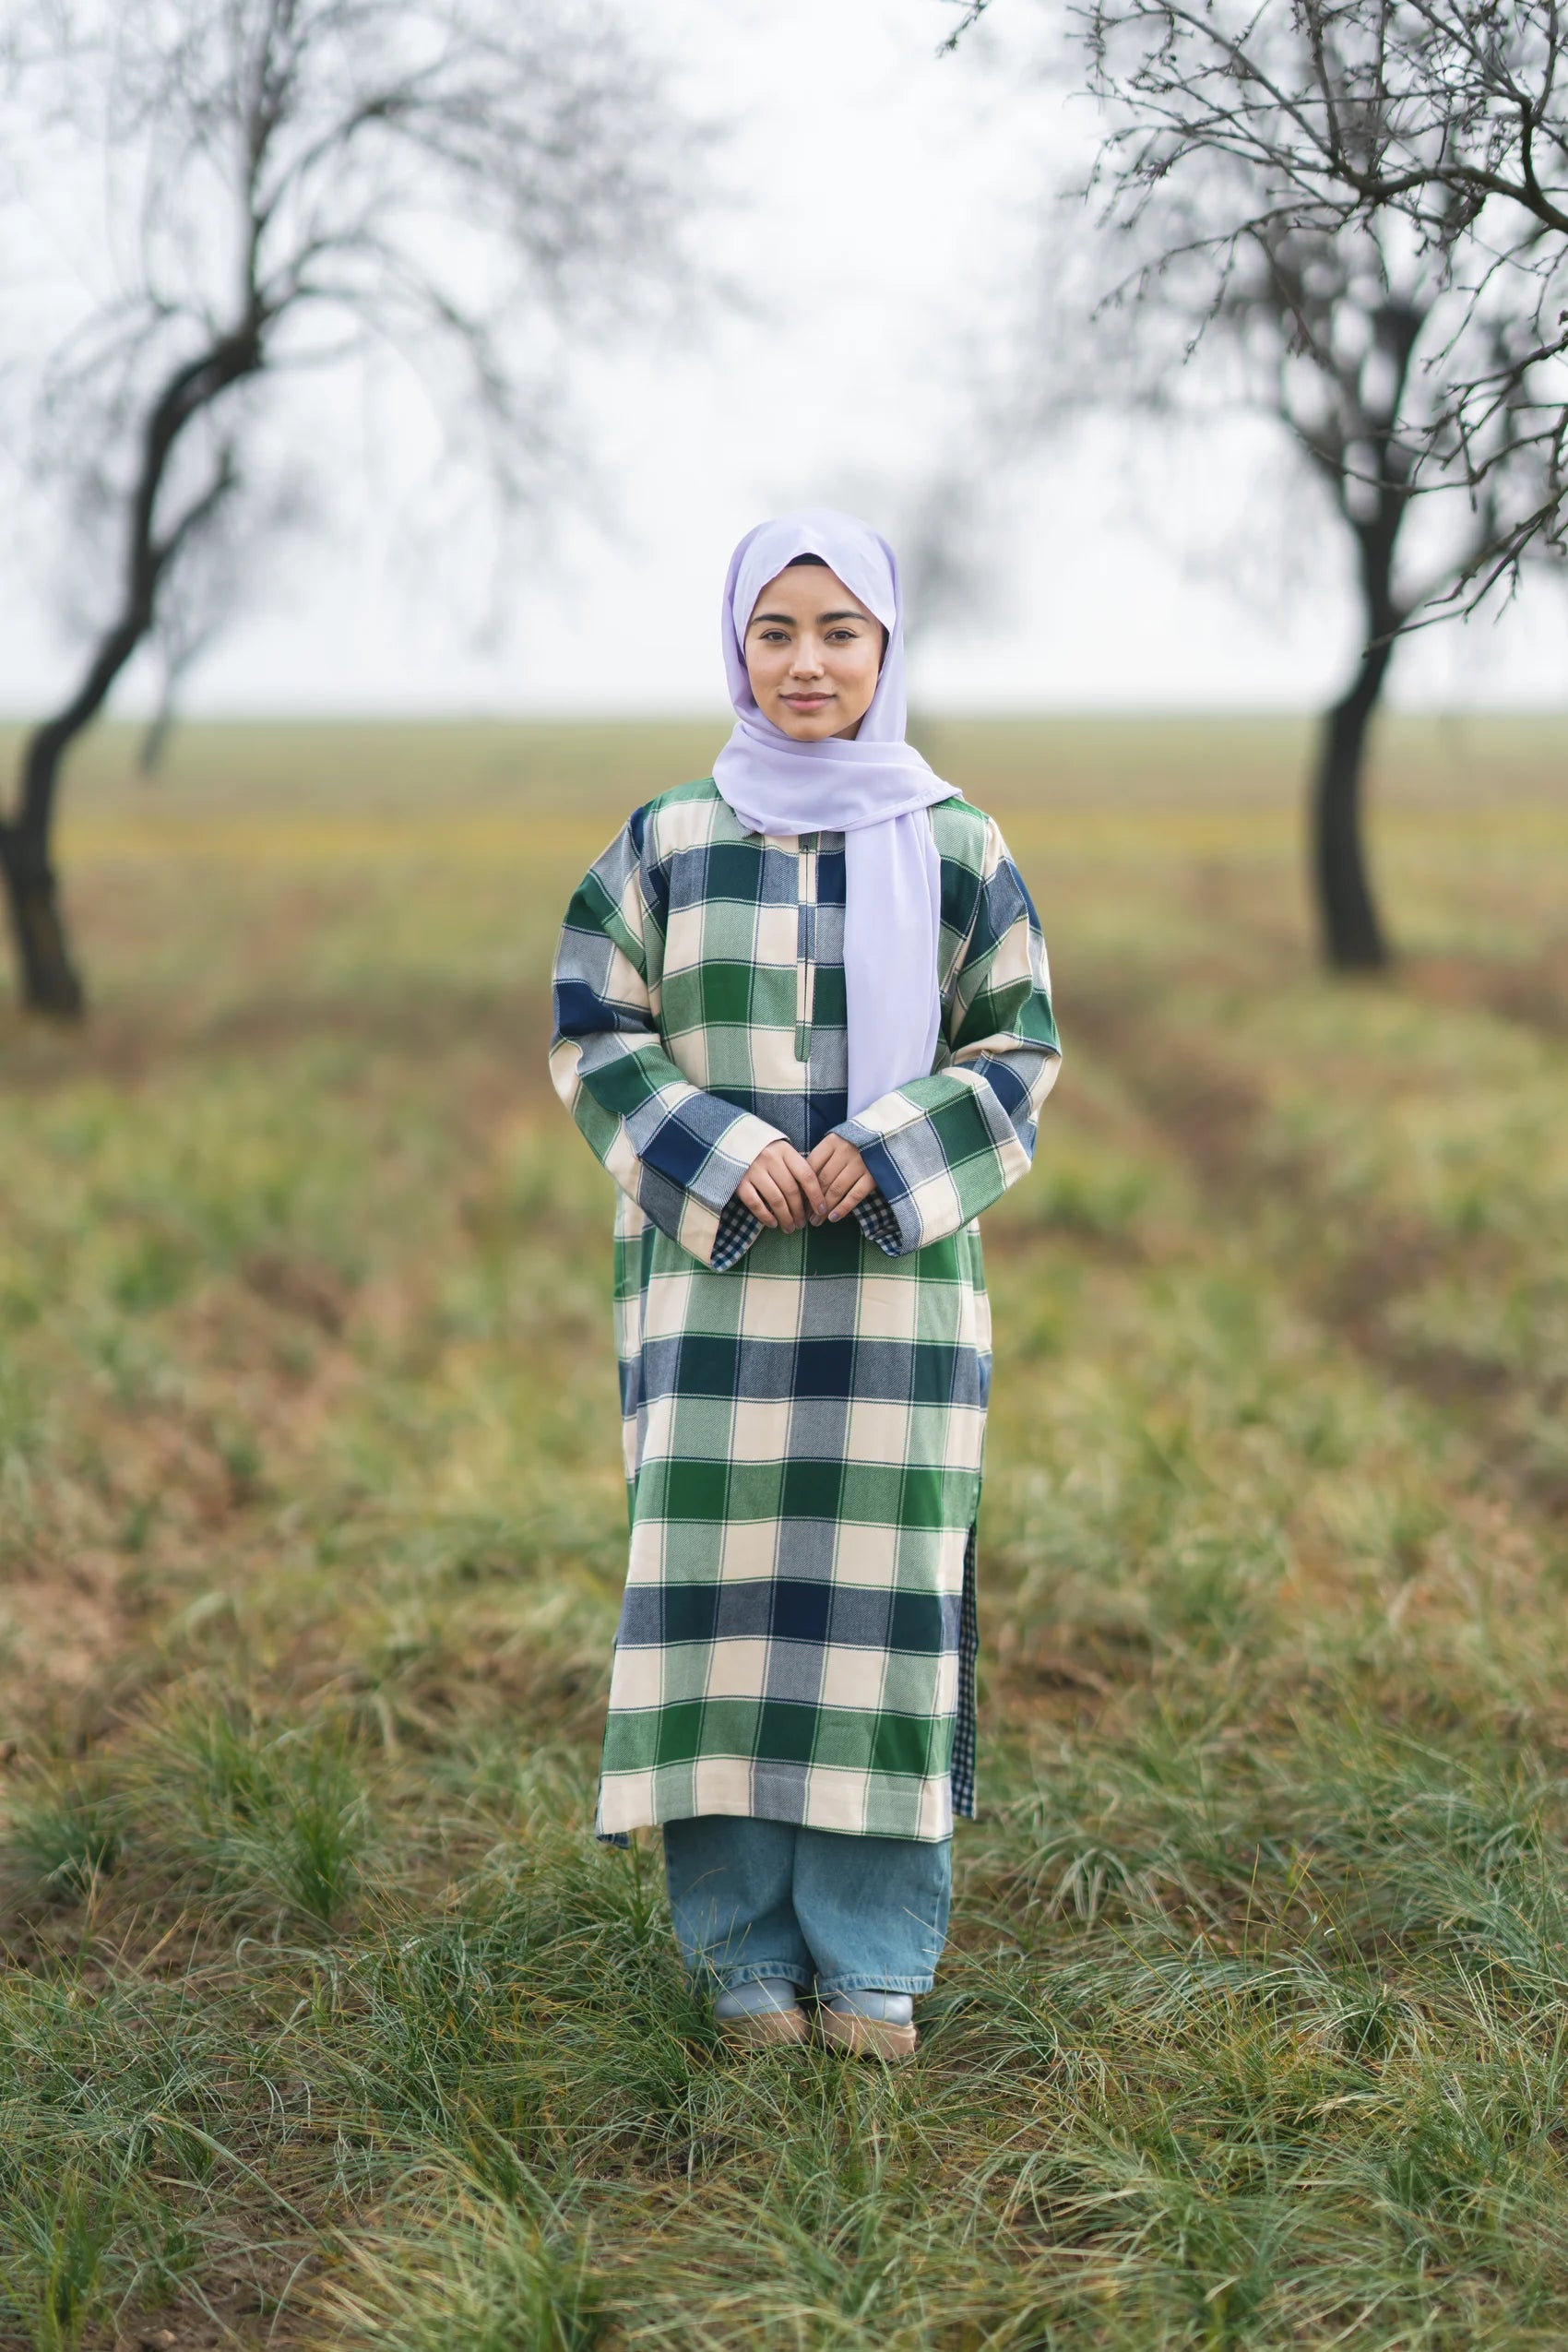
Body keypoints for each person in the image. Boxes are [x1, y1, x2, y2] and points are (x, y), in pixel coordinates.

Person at [549, 511, 1060, 2060]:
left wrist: (891, 1148)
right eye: (776, 631)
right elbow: (594, 1030)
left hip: (895, 1311)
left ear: (886, 648)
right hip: (712, 1308)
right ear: (736, 648)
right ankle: (744, 1968)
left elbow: (1017, 1050)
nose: (807, 662)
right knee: (723, 1618)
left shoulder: (961, 843)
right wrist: (715, 1151)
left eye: (840, 631)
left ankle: (875, 1964)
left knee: (874, 1617)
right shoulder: (661, 841)